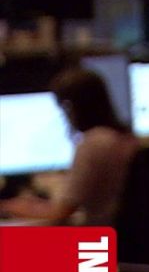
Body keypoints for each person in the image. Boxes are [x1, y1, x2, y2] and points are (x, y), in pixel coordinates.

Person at [0, 67, 138, 225]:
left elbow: (60, 214)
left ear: (72, 107)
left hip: (97, 237)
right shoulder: (123, 138)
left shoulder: (93, 144)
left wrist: (9, 207)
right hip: (118, 233)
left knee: (8, 240)